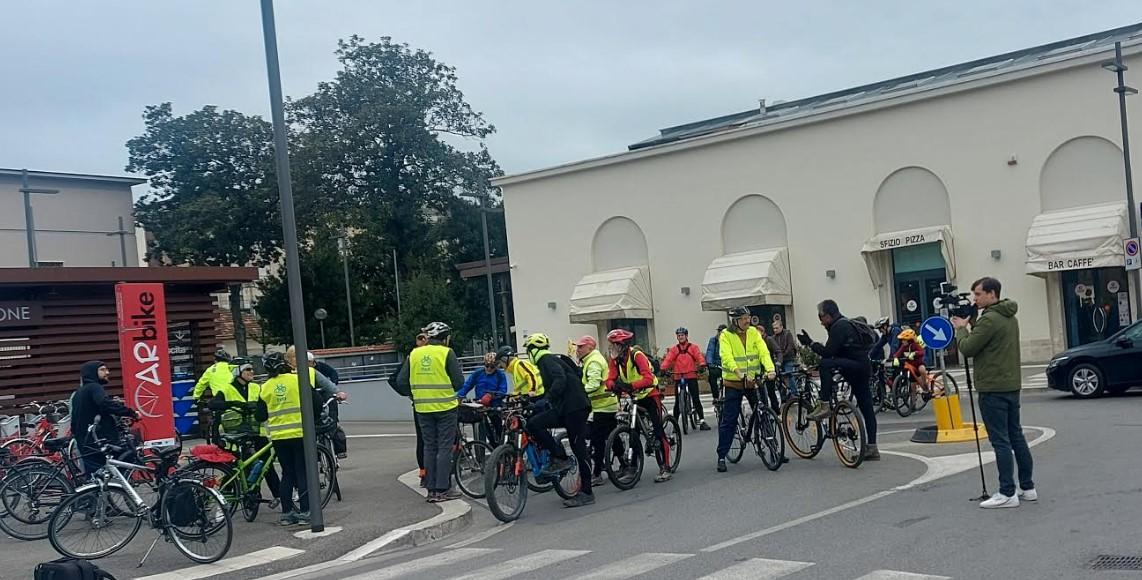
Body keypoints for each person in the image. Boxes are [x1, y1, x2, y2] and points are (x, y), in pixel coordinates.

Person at [953, 277, 1035, 509]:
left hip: (992, 387)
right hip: (1010, 384)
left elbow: (968, 348)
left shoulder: (990, 319)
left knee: (1000, 441)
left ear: (991, 294)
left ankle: (1007, 492)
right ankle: (1027, 487)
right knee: (1016, 435)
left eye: (978, 294)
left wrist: (961, 329)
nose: (974, 299)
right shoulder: (1009, 316)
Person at [798, 300, 879, 460]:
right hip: (862, 367)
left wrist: (810, 343)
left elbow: (828, 352)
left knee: (825, 364)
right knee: (866, 407)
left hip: (852, 367)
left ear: (828, 315)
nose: (821, 322)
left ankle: (825, 404)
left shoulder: (838, 327)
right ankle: (872, 448)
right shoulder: (845, 323)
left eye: (821, 318)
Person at [394, 322, 465, 503]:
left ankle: (431, 489)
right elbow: (459, 382)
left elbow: (401, 382)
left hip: (422, 408)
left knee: (429, 447)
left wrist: (415, 395)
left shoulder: (414, 354)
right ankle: (443, 489)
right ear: (445, 338)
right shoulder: (447, 353)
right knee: (444, 448)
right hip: (446, 408)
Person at [521, 333, 594, 507]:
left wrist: (547, 399)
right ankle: (559, 456)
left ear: (532, 350)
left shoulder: (546, 360)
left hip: (576, 408)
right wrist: (531, 401)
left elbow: (560, 379)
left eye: (528, 350)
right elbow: (554, 385)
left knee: (578, 448)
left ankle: (587, 492)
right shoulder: (547, 360)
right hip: (564, 408)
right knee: (534, 423)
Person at [605, 328, 673, 483]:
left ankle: (665, 466)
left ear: (622, 345)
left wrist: (631, 385)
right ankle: (632, 467)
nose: (611, 348)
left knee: (657, 430)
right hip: (634, 396)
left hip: (649, 394)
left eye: (614, 345)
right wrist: (612, 385)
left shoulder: (637, 355)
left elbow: (648, 378)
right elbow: (610, 378)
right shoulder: (615, 360)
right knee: (633, 432)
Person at [255, 352, 315, 525]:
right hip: (300, 433)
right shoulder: (297, 380)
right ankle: (305, 511)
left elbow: (260, 415)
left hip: (279, 436)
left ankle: (287, 513)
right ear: (285, 364)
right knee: (302, 472)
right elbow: (316, 403)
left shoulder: (265, 387)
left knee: (287, 473)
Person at [715, 307, 777, 473]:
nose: (747, 320)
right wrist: (738, 372)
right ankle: (722, 456)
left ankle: (773, 449)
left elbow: (763, 352)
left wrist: (770, 369)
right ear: (735, 320)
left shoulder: (753, 333)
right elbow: (726, 356)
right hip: (734, 382)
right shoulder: (726, 335)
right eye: (743, 318)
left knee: (764, 414)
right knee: (729, 419)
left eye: (748, 317)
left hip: (753, 381)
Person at [211, 362, 281, 506]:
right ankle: (223, 497)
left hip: (257, 432)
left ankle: (279, 496)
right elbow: (212, 404)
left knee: (267, 464)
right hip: (235, 434)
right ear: (238, 372)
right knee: (234, 467)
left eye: (252, 369)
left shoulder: (257, 387)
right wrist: (234, 404)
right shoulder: (227, 389)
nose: (251, 372)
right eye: (247, 369)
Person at [71, 361, 137, 477]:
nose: (107, 372)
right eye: (102, 370)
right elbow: (105, 403)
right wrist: (130, 412)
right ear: (92, 373)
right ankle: (121, 487)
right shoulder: (94, 387)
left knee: (94, 476)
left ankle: (98, 493)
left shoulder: (79, 393)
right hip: (97, 439)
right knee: (127, 456)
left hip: (85, 441)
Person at [574, 335, 617, 487]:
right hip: (602, 404)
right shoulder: (590, 359)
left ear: (590, 348)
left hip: (602, 405)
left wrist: (577, 394)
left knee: (597, 440)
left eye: (580, 347)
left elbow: (593, 383)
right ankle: (624, 464)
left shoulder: (593, 361)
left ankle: (597, 473)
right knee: (611, 434)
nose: (577, 350)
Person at [661, 327, 710, 431]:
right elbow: (668, 359)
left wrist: (702, 365)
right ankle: (675, 423)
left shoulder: (693, 347)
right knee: (677, 402)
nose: (680, 337)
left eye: (682, 335)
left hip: (691, 375)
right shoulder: (674, 349)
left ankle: (702, 421)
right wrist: (663, 368)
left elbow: (699, 356)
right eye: (678, 336)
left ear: (686, 336)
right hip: (678, 376)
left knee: (696, 398)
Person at [458, 352, 509, 444]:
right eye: (487, 366)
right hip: (480, 403)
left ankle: (500, 442)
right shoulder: (478, 373)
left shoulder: (500, 375)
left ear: (497, 366)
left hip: (494, 404)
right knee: (478, 421)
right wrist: (460, 396)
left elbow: (503, 390)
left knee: (497, 423)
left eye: (492, 367)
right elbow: (467, 385)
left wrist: (491, 396)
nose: (489, 369)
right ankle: (481, 444)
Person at [309, 353, 348, 459]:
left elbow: (332, 375)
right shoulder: (301, 371)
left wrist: (335, 387)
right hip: (312, 397)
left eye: (311, 363)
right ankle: (316, 455)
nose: (310, 365)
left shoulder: (319, 368)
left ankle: (340, 450)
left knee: (333, 421)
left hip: (325, 393)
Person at [193, 348, 236, 442]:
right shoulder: (233, 368)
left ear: (215, 360)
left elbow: (201, 384)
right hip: (236, 398)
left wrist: (196, 397)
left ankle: (217, 441)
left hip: (220, 400)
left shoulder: (211, 370)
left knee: (217, 420)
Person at [891, 328, 940, 396]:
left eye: (904, 340)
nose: (902, 341)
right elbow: (898, 353)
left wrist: (915, 353)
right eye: (902, 340)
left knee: (922, 370)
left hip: (919, 363)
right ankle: (913, 404)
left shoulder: (915, 345)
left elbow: (922, 352)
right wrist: (895, 358)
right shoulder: (903, 346)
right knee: (912, 385)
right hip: (911, 366)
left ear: (909, 340)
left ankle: (925, 385)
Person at [496, 345, 546, 409]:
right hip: (529, 398)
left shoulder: (519, 364)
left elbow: (531, 375)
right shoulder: (514, 369)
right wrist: (513, 397)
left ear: (505, 360)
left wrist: (532, 390)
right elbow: (519, 387)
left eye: (500, 362)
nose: (500, 365)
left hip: (537, 396)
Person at [771, 318, 799, 395]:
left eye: (777, 328)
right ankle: (784, 394)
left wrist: (782, 355)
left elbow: (790, 346)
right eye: (774, 328)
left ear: (781, 327)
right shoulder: (773, 338)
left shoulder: (787, 334)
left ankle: (794, 393)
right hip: (780, 360)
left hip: (788, 358)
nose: (775, 330)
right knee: (779, 376)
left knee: (788, 374)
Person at [705, 325, 726, 402]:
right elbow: (710, 351)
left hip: (727, 366)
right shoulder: (714, 340)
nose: (720, 333)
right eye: (719, 331)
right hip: (716, 365)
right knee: (712, 376)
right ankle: (715, 397)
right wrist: (709, 363)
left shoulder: (730, 341)